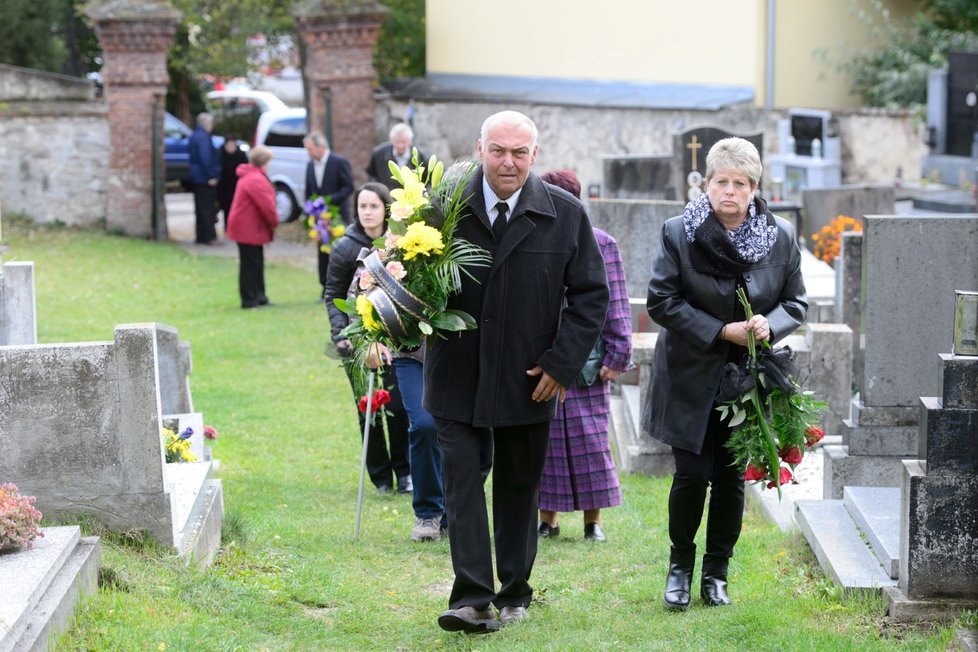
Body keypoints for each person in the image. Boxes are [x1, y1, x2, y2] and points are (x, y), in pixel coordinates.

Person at [424, 111, 609, 633]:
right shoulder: (444, 206)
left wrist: (562, 363)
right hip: (456, 368)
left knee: (517, 485)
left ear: (535, 154)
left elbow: (592, 296)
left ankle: (514, 590)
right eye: (498, 150)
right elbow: (411, 270)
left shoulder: (565, 214)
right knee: (461, 480)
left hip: (530, 376)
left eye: (519, 152)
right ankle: (471, 597)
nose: (508, 162)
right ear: (478, 148)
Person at [642, 137, 807, 610]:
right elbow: (662, 301)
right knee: (691, 474)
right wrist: (721, 330)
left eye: (740, 183)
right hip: (691, 374)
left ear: (754, 188)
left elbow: (795, 302)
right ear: (706, 184)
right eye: (721, 182)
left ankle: (717, 574)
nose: (729, 192)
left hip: (747, 379)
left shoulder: (781, 236)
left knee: (732, 478)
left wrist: (766, 325)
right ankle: (679, 569)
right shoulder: (679, 232)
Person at [536, 169, 631, 544]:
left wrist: (619, 352)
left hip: (590, 361)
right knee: (547, 443)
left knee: (592, 443)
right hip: (543, 357)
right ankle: (548, 520)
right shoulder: (535, 240)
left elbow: (616, 301)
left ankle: (594, 522)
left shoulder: (602, 243)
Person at [325, 182, 412, 495]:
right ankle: (380, 476)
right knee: (369, 407)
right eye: (362, 206)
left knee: (400, 407)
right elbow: (333, 294)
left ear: (386, 209)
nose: (368, 212)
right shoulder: (345, 248)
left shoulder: (397, 242)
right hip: (357, 343)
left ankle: (405, 472)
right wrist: (340, 335)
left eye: (374, 206)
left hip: (394, 340)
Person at [226, 145, 279, 309]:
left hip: (249, 227)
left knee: (255, 262)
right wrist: (274, 222)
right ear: (264, 162)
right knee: (250, 265)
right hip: (248, 228)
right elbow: (267, 206)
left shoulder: (251, 176)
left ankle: (259, 296)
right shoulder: (255, 179)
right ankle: (249, 299)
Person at [303, 131, 354, 301]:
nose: (308, 152)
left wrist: (327, 202)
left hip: (337, 217)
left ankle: (342, 288)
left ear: (321, 146)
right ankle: (325, 288)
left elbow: (348, 187)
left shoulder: (338, 162)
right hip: (319, 220)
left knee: (339, 253)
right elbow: (309, 191)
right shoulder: (310, 165)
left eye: (310, 148)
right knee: (322, 253)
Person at [365, 123, 430, 191]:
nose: (400, 146)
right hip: (386, 197)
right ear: (392, 141)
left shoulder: (423, 156)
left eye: (403, 142)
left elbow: (429, 182)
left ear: (410, 141)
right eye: (397, 142)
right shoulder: (379, 154)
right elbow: (372, 175)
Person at [189, 112, 221, 245]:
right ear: (208, 124)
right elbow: (205, 158)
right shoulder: (203, 137)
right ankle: (208, 236)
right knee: (207, 208)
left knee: (200, 208)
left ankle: (201, 235)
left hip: (197, 177)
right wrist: (211, 175)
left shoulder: (195, 135)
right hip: (204, 178)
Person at [217, 136, 248, 230]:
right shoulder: (220, 154)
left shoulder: (241, 155)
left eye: (232, 144)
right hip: (224, 187)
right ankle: (228, 228)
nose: (231, 147)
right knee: (226, 209)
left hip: (236, 186)